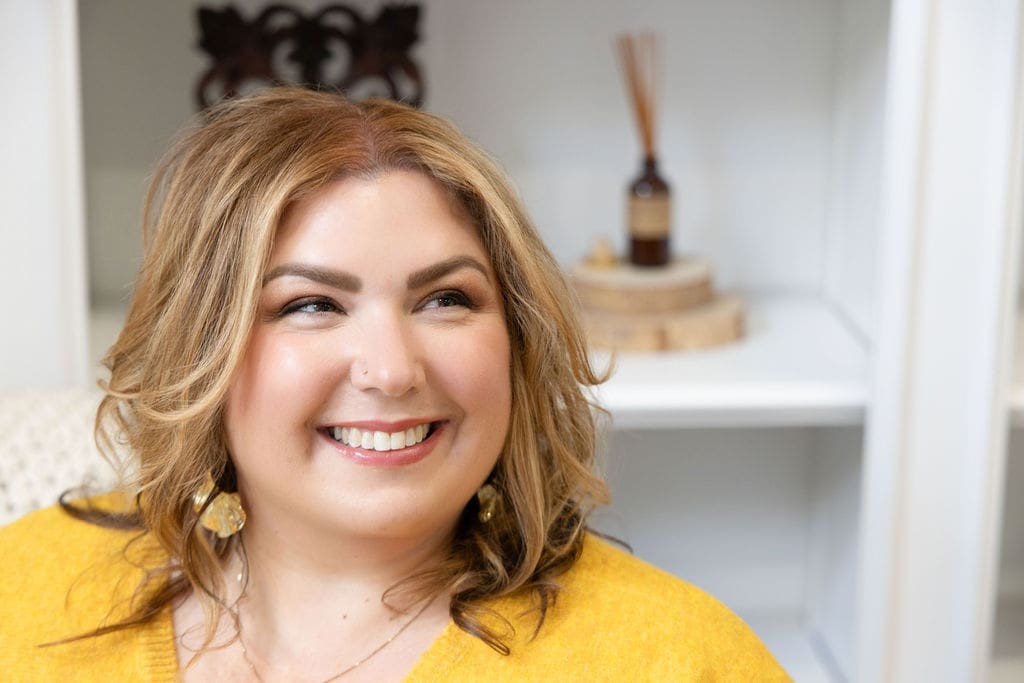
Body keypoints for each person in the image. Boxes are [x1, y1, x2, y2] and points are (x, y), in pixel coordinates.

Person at [0, 88, 790, 681]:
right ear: (200, 350)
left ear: (516, 340)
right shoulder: (22, 588)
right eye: (311, 304)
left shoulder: (678, 659)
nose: (392, 369)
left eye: (446, 299)